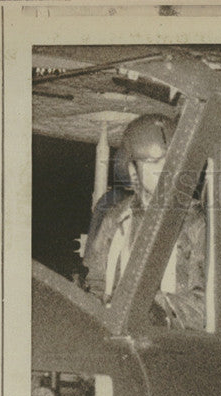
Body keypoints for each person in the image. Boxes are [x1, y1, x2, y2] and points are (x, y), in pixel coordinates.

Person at [83, 113, 208, 330]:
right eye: (152, 164)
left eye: (170, 164)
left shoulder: (198, 224)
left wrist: (157, 308)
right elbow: (96, 284)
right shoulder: (116, 217)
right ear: (133, 171)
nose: (165, 173)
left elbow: (216, 304)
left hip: (170, 343)